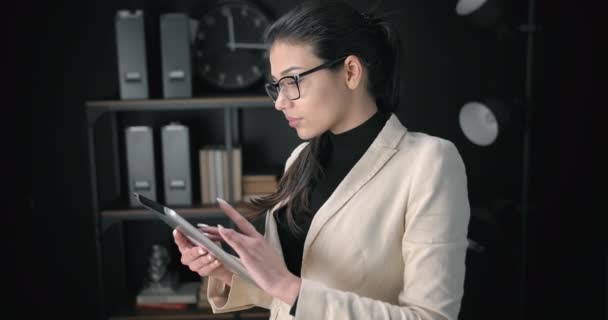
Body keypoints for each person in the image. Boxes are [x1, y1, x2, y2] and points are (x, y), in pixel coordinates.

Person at [173, 0, 470, 319]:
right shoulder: (300, 159)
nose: (280, 102)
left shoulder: (429, 162)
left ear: (351, 72)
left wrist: (286, 286)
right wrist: (226, 270)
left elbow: (431, 316)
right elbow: (289, 294)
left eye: (292, 81)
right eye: (276, 86)